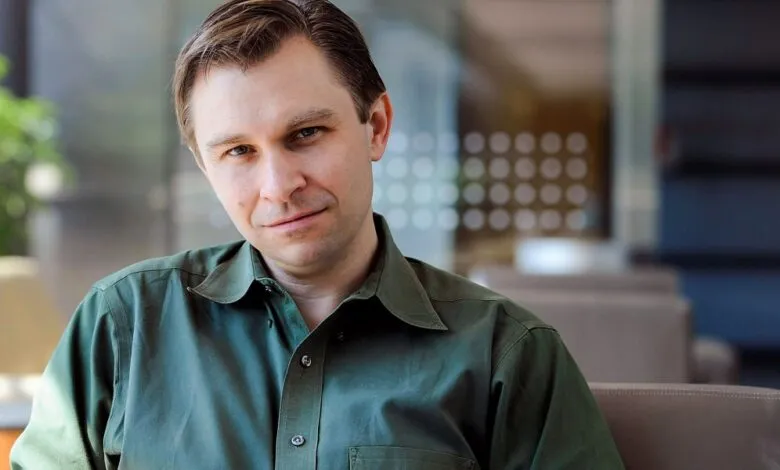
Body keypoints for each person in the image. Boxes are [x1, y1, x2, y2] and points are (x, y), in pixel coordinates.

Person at [11, 1, 624, 468]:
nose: (279, 186)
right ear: (205, 166)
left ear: (375, 125)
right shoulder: (121, 325)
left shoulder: (507, 354)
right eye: (238, 151)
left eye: (305, 134)